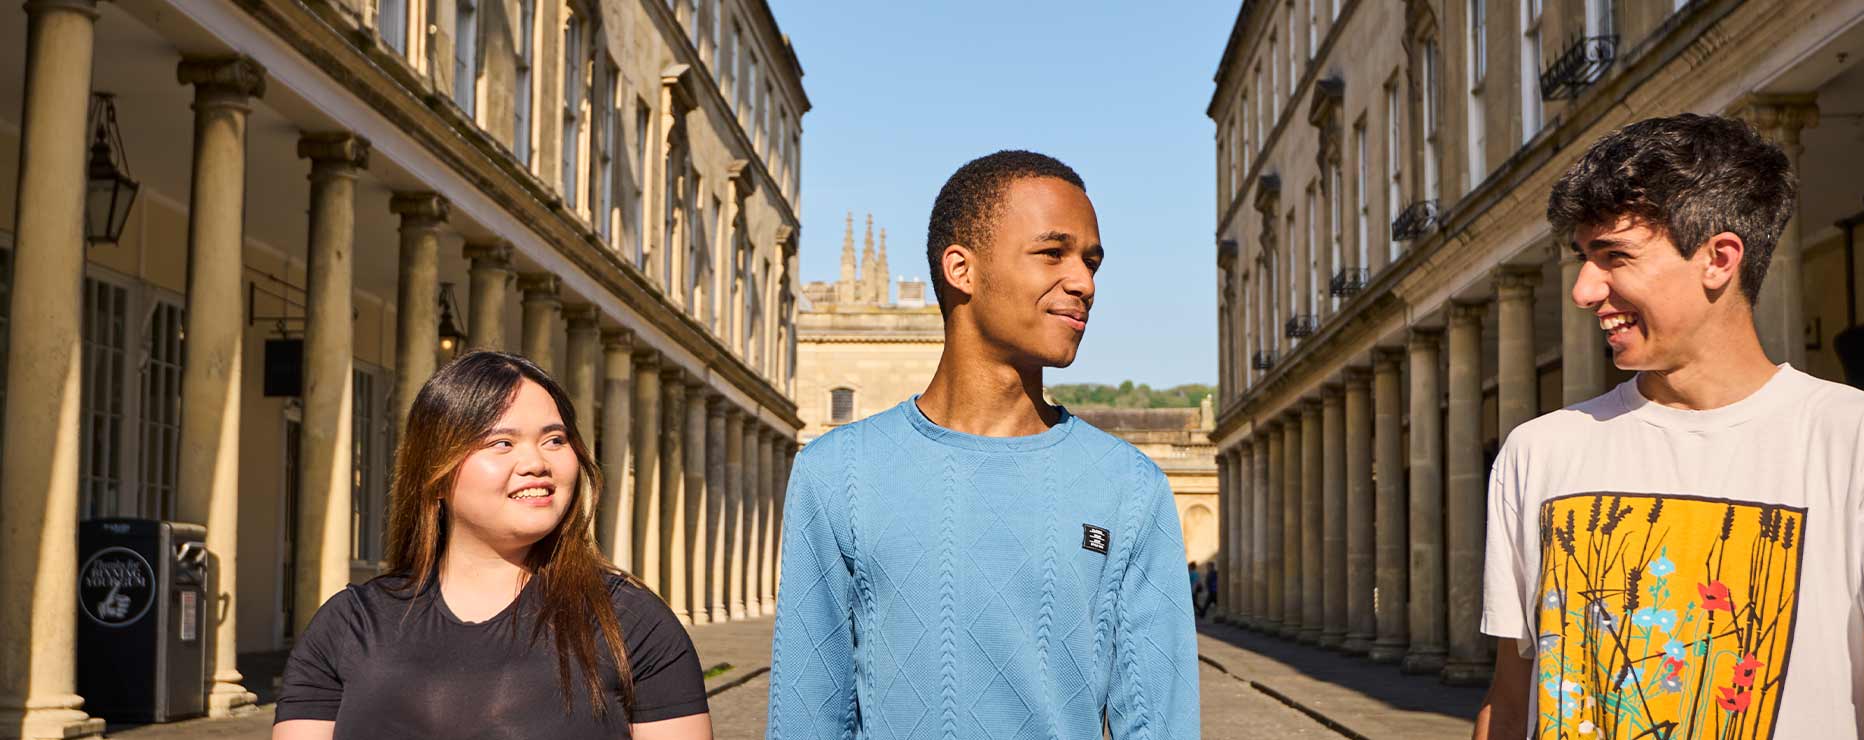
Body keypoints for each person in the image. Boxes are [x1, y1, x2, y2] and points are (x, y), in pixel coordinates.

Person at [1473, 114, 1864, 740]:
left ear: (1718, 259)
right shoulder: (1539, 452)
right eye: (1585, 258)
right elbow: (1509, 704)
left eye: (1614, 255)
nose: (1585, 290)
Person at [767, 150, 1200, 738]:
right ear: (961, 269)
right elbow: (807, 718)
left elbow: (1160, 724)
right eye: (1053, 252)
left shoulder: (1129, 486)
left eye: (1091, 261)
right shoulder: (835, 474)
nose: (1084, 282)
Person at [273, 352, 712, 740]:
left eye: (554, 440)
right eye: (502, 442)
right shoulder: (349, 625)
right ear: (436, 475)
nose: (537, 463)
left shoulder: (630, 623)